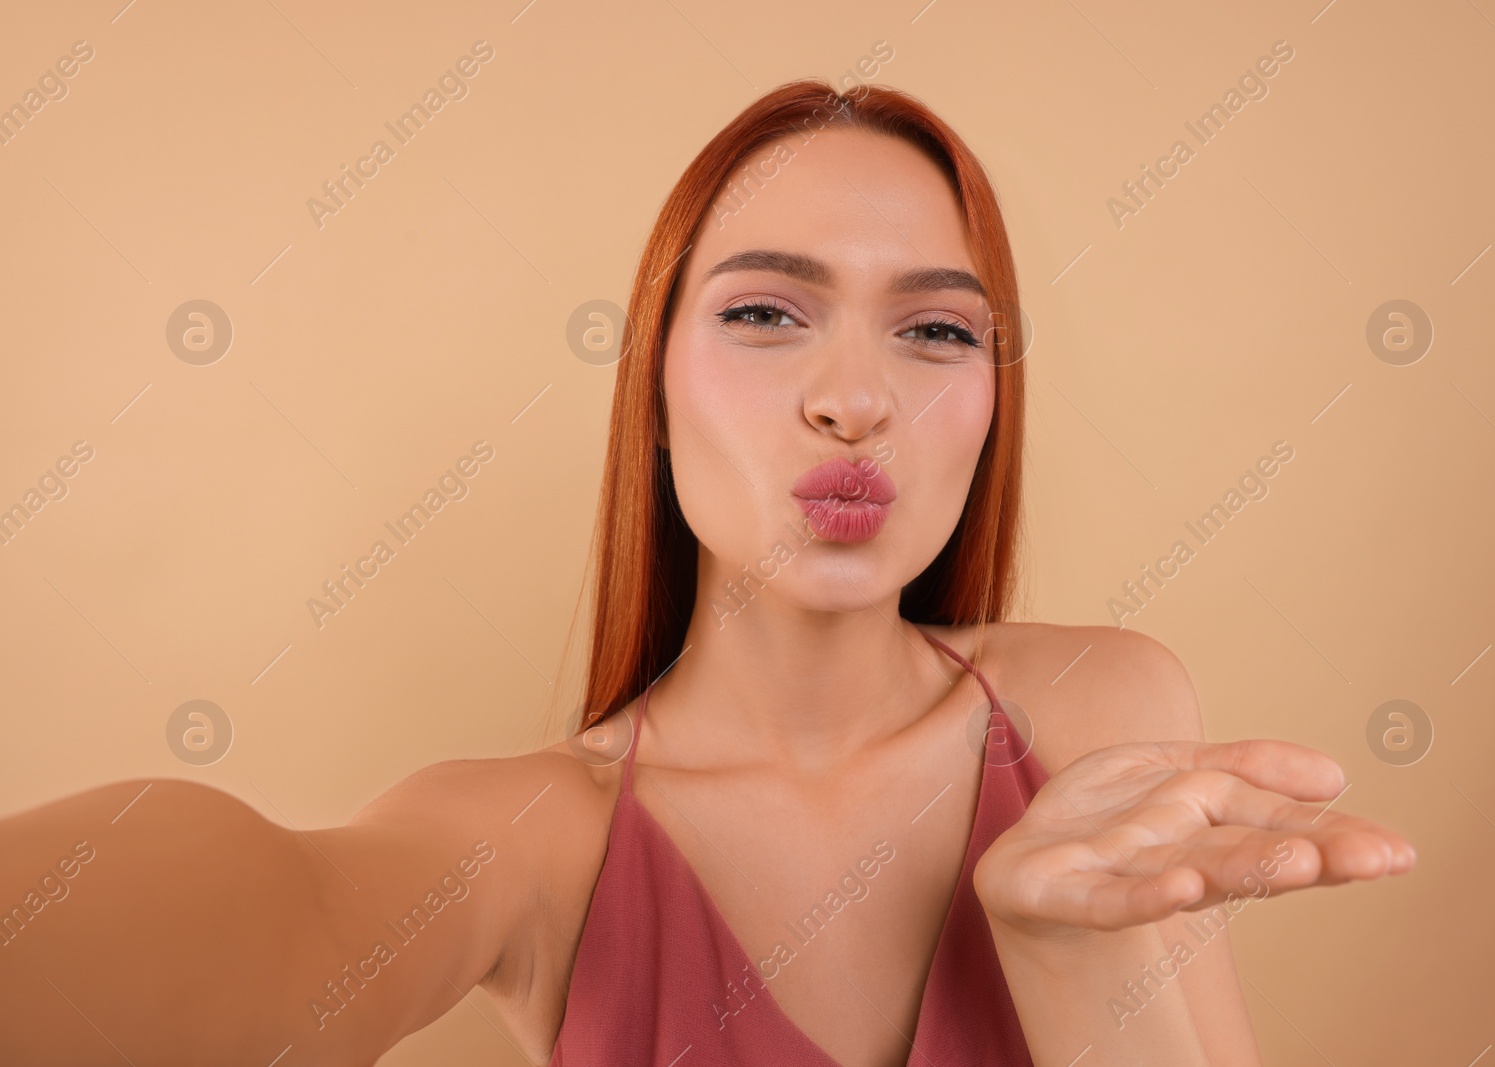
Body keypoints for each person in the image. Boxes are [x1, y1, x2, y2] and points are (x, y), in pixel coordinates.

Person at [0, 80, 1412, 1066]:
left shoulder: (1099, 711)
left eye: (934, 334)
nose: (857, 396)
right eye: (764, 313)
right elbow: (280, 929)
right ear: (655, 389)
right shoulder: (539, 839)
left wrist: (1077, 951)